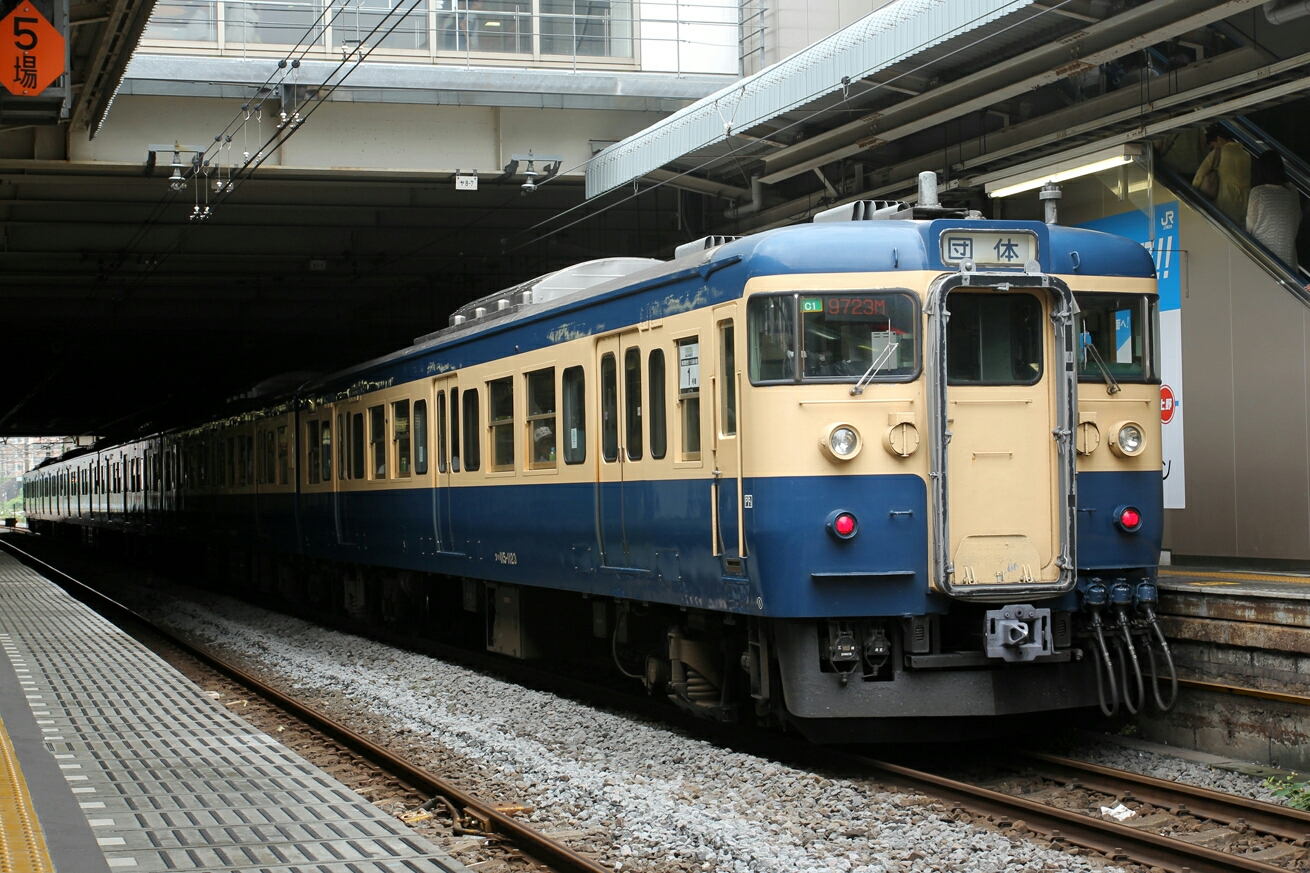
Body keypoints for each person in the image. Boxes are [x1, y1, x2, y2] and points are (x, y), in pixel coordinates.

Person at [1246, 150, 1302, 269]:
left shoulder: (1258, 192)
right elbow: (1297, 220)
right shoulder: (1293, 193)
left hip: (1263, 256)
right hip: (1288, 257)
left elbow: (1249, 227)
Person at [1193, 123, 1251, 224]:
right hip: (1245, 204)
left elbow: (1199, 176)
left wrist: (1192, 192)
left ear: (1219, 139)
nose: (1213, 148)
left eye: (1213, 145)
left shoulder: (1217, 153)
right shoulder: (1247, 155)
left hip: (1225, 203)